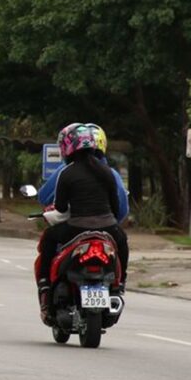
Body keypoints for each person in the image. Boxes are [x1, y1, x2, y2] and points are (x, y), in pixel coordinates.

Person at [35, 122, 129, 325]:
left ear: (68, 148)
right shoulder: (108, 173)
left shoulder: (66, 173)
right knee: (123, 241)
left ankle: (44, 284)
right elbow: (115, 206)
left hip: (76, 229)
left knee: (49, 240)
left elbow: (59, 208)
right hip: (108, 228)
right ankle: (120, 283)